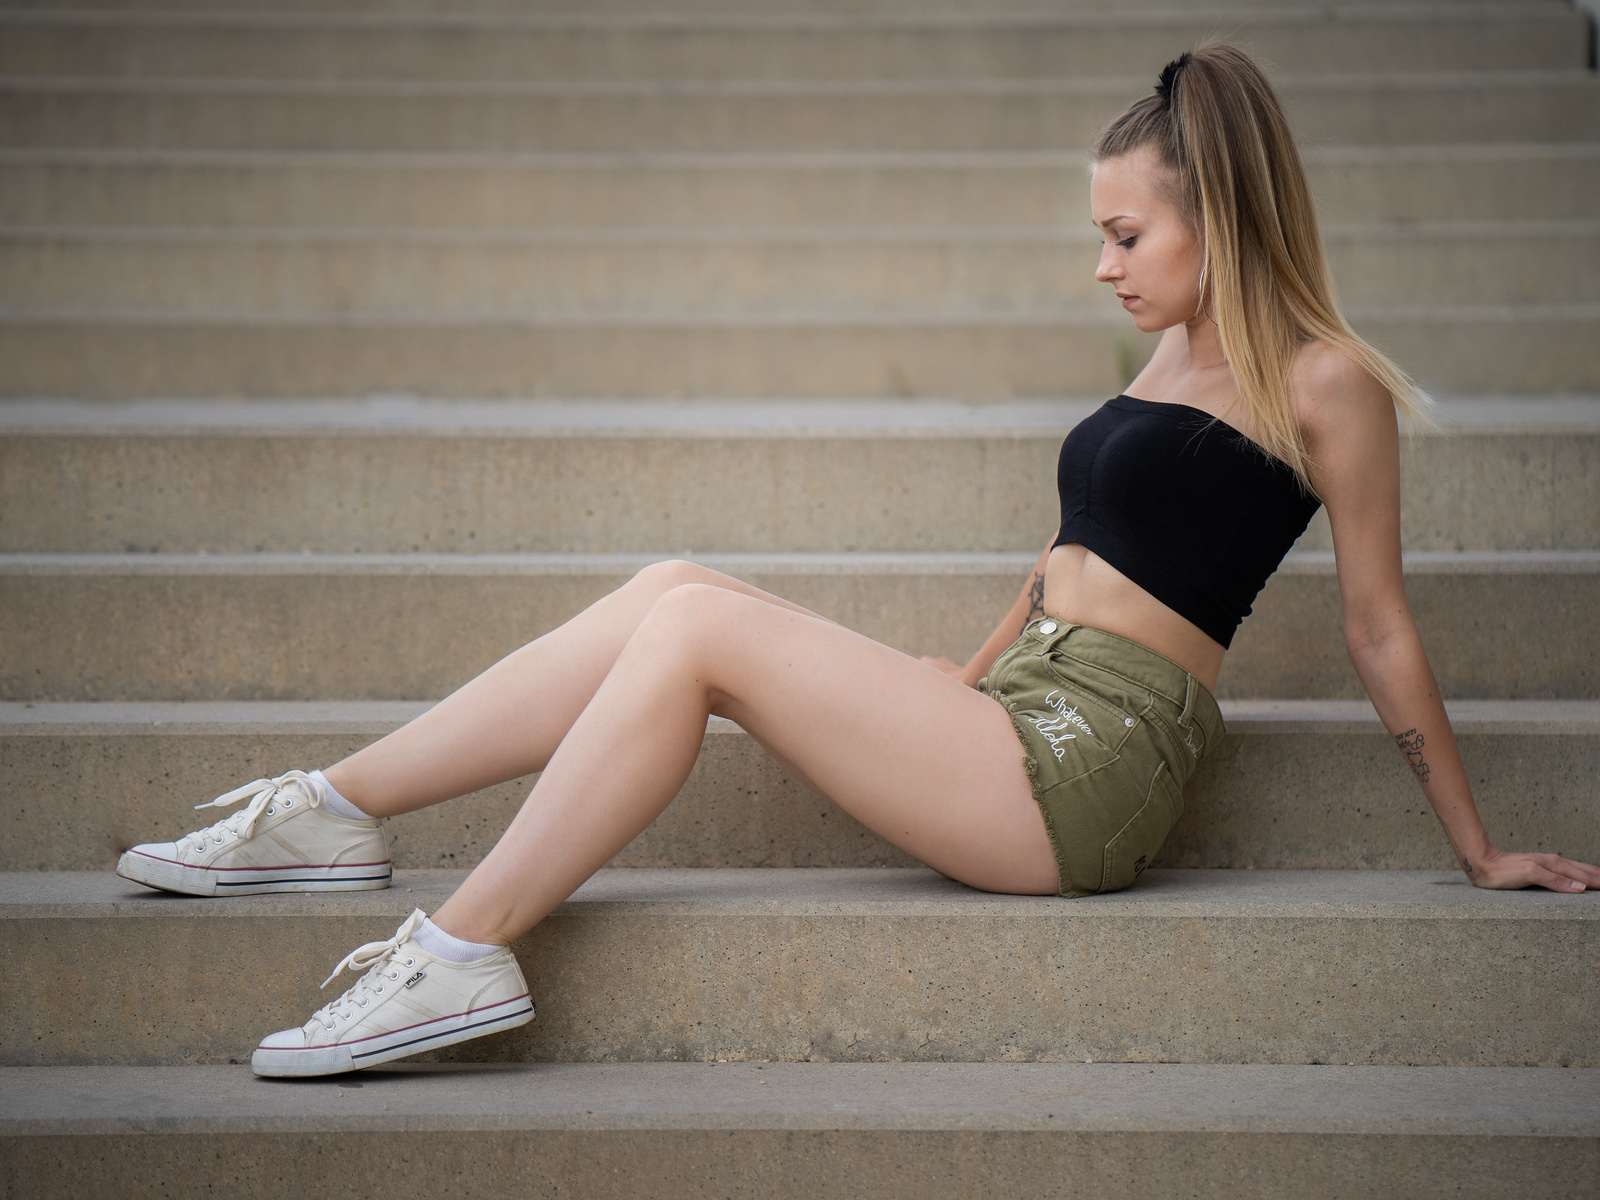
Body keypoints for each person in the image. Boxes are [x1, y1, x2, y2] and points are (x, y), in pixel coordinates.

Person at [115, 44, 1600, 1079]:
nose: (1103, 264)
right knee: (672, 587)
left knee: (700, 642)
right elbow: (1074, 551)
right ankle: (336, 810)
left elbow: (1381, 627)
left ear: (1223, 211)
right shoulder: (1166, 346)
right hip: (1021, 709)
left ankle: (461, 949)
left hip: (1098, 768)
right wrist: (953, 681)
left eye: (1126, 232)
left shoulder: (1325, 380)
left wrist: (1475, 851)